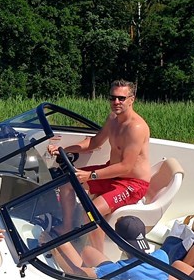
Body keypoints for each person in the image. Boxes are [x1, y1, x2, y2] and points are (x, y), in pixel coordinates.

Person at [48, 80, 152, 216]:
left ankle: (95, 230)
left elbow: (126, 167)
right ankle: (66, 226)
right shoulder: (113, 119)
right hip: (112, 174)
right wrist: (64, 149)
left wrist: (90, 176)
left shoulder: (136, 128)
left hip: (132, 183)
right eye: (112, 98)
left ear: (131, 100)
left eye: (121, 98)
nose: (116, 102)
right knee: (67, 183)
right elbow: (94, 142)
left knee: (92, 213)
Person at [43, 215, 170, 280]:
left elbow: (74, 273)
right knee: (88, 251)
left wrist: (52, 244)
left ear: (119, 243)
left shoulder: (120, 270)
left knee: (64, 245)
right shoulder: (162, 255)